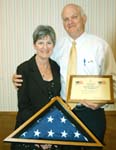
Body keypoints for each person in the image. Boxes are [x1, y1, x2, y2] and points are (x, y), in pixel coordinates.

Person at [12, 3, 116, 150]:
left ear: (84, 18)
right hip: (65, 114)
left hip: (92, 113)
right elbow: (39, 62)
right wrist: (18, 77)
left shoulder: (100, 46)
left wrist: (102, 101)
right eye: (65, 19)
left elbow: (113, 80)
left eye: (74, 17)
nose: (70, 22)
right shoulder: (57, 46)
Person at [11, 25, 61, 150]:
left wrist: (51, 131)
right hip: (31, 129)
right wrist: (40, 135)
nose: (45, 47)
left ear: (53, 45)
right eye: (40, 43)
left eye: (49, 42)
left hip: (53, 128)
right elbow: (23, 107)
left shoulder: (56, 67)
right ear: (34, 45)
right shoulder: (24, 69)